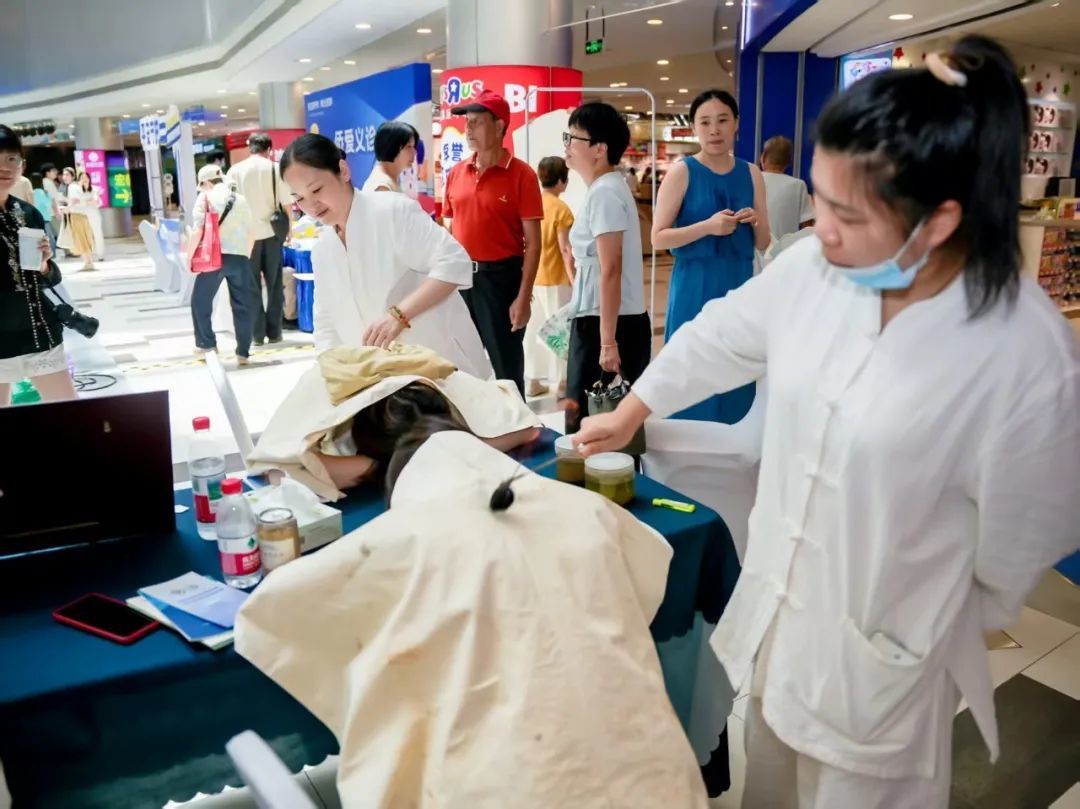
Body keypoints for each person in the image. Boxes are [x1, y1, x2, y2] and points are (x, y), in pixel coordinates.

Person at [574, 37, 1080, 809]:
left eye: (845, 212)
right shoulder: (816, 267)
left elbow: (1024, 537)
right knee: (770, 781)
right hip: (782, 619)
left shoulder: (1023, 352)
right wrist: (635, 407)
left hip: (885, 665)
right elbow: (721, 334)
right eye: (819, 199)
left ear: (938, 220)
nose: (820, 227)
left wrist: (915, 613)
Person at [235, 428, 710, 809]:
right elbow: (653, 556)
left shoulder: (398, 541)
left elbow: (266, 612)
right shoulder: (589, 510)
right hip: (652, 777)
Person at [280, 134, 491, 379]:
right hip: (376, 378)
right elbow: (326, 320)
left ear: (343, 171)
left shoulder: (391, 211)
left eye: (316, 189)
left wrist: (399, 315)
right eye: (299, 198)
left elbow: (453, 262)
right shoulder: (324, 249)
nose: (311, 205)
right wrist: (330, 369)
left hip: (436, 363)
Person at [247, 344, 539, 500]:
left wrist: (460, 443)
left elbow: (526, 428)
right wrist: (376, 467)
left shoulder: (448, 388)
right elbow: (279, 469)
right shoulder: (326, 393)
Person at [652, 90, 769, 424]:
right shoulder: (682, 172)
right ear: (694, 127)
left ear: (736, 124)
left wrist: (755, 221)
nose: (714, 130)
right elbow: (658, 237)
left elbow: (764, 241)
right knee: (693, 371)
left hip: (738, 284)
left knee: (736, 371)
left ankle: (732, 445)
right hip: (694, 283)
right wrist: (708, 227)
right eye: (705, 122)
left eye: (722, 120)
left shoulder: (751, 172)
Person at [444, 90, 544, 397]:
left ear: (499, 126)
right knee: (459, 365)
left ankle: (518, 420)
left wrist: (523, 297)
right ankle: (471, 421)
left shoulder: (522, 175)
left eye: (476, 122)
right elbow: (448, 229)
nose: (468, 129)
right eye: (467, 122)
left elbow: (534, 243)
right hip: (461, 280)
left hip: (501, 281)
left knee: (506, 367)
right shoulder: (457, 173)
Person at [562, 102, 651, 433]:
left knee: (588, 424)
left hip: (607, 322)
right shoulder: (607, 188)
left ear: (599, 149)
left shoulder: (605, 193)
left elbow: (610, 268)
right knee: (603, 424)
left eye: (573, 138)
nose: (567, 146)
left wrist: (608, 342)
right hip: (607, 319)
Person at [0, 126, 75, 406]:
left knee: (69, 411)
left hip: (38, 329)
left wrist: (44, 266)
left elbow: (48, 277)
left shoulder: (27, 212)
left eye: (12, 159)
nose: (5, 167)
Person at [185, 163, 255, 365]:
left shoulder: (205, 198)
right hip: (240, 257)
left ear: (206, 183)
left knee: (200, 301)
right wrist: (246, 256)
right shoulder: (240, 199)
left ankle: (207, 344)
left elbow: (198, 230)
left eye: (201, 185)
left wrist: (189, 257)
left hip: (213, 258)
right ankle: (243, 352)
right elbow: (251, 232)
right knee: (243, 305)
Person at [227, 133, 292, 346]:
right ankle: (274, 332)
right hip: (272, 233)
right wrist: (290, 229)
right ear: (269, 149)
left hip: (246, 237)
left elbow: (229, 204)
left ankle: (257, 334)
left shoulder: (235, 171)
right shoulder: (275, 169)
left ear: (250, 147)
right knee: (274, 284)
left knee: (251, 286)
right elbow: (286, 203)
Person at [523, 156, 575, 398]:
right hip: (556, 280)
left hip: (532, 279)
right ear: (562, 180)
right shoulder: (561, 209)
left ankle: (532, 380)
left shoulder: (531, 204)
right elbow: (565, 249)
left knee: (532, 332)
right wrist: (574, 278)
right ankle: (562, 383)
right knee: (560, 333)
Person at [760, 135, 815, 240]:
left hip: (754, 248)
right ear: (789, 161)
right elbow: (807, 227)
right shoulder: (799, 185)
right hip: (786, 248)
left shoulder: (751, 179)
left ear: (763, 156)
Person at [362, 121, 419, 193]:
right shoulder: (382, 187)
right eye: (408, 146)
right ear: (391, 147)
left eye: (413, 147)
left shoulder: (390, 178)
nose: (414, 152)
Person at [63, 171, 99, 271]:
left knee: (81, 239)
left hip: (77, 215)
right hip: (80, 215)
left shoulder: (72, 187)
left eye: (67, 175)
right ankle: (88, 262)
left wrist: (67, 207)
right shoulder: (75, 187)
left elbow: (76, 200)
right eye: (64, 174)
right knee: (83, 238)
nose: (64, 177)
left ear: (73, 176)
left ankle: (88, 262)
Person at [29, 173, 57, 254]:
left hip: (36, 218)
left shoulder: (31, 193)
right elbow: (51, 203)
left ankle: (45, 255)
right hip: (46, 218)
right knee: (50, 238)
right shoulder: (45, 192)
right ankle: (52, 254)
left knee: (40, 240)